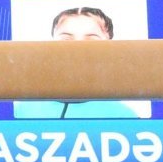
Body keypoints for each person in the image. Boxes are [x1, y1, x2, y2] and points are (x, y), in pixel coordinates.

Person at [14, 7, 152, 120]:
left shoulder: (124, 115)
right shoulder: (22, 109)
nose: (78, 48)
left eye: (91, 40)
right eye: (66, 39)